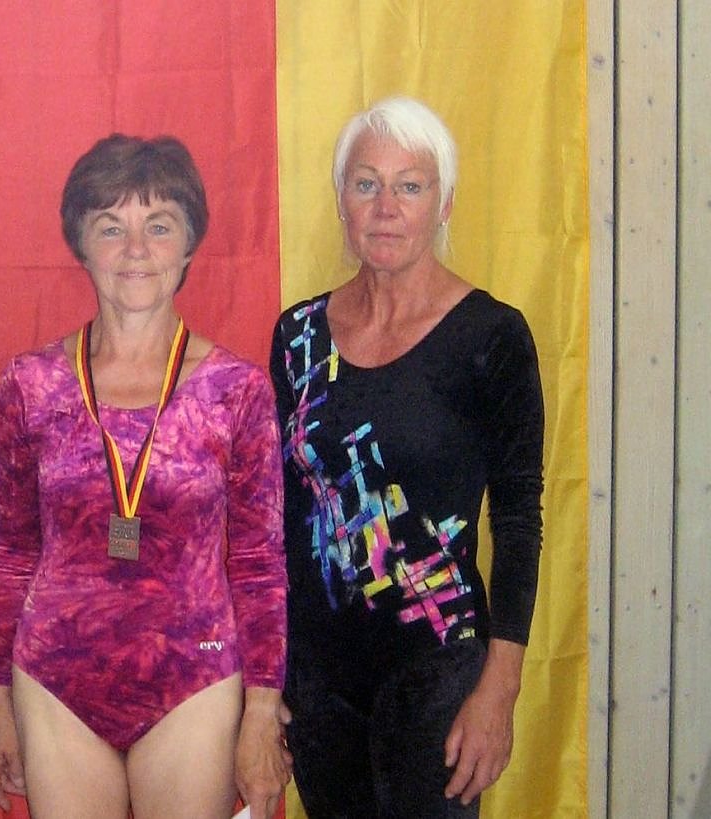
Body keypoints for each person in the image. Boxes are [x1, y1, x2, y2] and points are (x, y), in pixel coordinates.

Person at [0, 134, 291, 819]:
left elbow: (259, 563)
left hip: (195, 679)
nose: (136, 250)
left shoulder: (237, 390)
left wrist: (262, 709)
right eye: (111, 228)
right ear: (81, 244)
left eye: (159, 226)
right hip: (56, 679)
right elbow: (9, 553)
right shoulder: (30, 384)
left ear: (189, 243)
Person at [269, 96, 545, 817]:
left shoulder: (491, 336)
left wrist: (500, 689)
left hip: (437, 674)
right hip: (318, 685)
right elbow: (279, 516)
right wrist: (266, 680)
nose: (386, 208)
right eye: (367, 184)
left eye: (410, 186)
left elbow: (518, 521)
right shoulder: (298, 336)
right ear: (341, 200)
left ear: (444, 203)